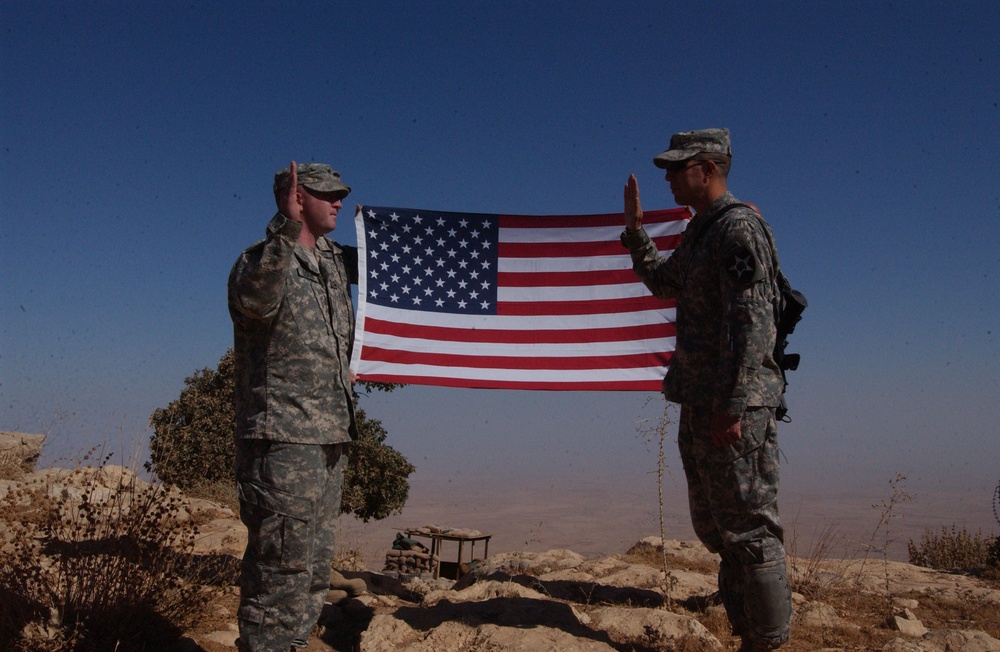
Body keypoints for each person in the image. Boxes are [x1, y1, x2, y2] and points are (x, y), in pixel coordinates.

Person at [621, 129, 792, 651]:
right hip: (701, 400)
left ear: (709, 168)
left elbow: (753, 325)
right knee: (718, 529)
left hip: (730, 405)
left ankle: (767, 642)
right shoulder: (702, 232)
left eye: (677, 168)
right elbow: (663, 283)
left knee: (749, 531)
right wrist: (635, 230)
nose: (668, 178)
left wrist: (732, 405)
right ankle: (746, 634)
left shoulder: (736, 229)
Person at [228, 161, 358, 651]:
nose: (339, 202)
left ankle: (293, 645)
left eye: (341, 194)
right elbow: (256, 302)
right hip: (283, 441)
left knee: (313, 572)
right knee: (279, 571)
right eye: (327, 194)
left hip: (328, 438)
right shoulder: (262, 259)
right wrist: (285, 230)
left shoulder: (331, 266)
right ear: (297, 199)